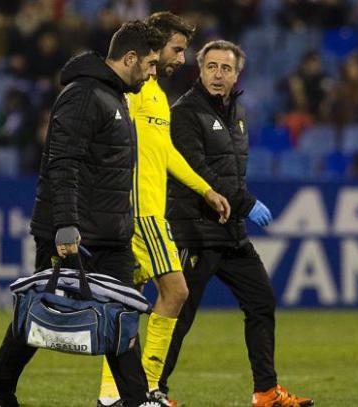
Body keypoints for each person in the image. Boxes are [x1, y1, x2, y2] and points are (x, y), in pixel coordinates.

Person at [0, 21, 168, 407]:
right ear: (129, 58)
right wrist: (66, 226)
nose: (153, 73)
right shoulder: (84, 95)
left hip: (109, 234)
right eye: (149, 64)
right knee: (39, 313)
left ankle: (137, 399)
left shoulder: (114, 97)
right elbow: (63, 163)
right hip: (72, 233)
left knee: (121, 318)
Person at [162, 40, 314, 406]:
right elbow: (199, 170)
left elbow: (232, 172)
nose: (218, 74)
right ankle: (152, 392)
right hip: (196, 229)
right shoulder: (184, 112)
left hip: (230, 232)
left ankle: (266, 392)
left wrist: (238, 207)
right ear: (199, 70)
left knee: (261, 302)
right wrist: (246, 203)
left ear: (237, 74)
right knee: (178, 315)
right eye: (211, 66)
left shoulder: (237, 113)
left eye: (225, 68)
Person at [96, 12, 231, 407]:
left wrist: (206, 190)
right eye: (177, 49)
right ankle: (149, 387)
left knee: (125, 302)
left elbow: (164, 150)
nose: (182, 58)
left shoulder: (155, 94)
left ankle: (111, 395)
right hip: (139, 212)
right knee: (176, 291)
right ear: (153, 47)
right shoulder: (132, 90)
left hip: (149, 208)